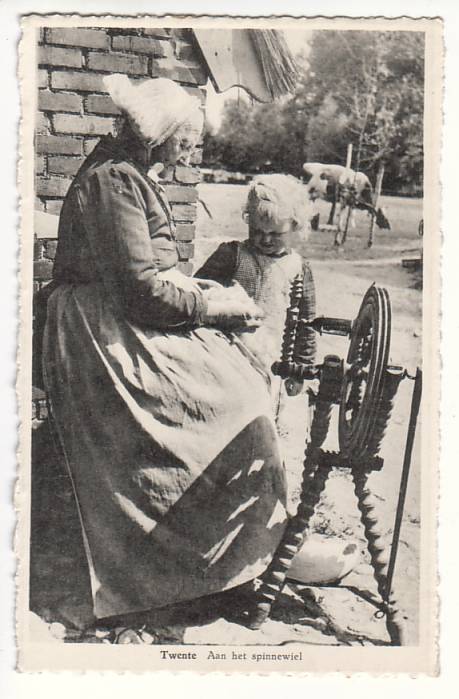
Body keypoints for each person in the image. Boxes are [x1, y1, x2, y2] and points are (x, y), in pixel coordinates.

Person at [41, 74, 288, 623]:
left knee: (241, 380)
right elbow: (141, 291)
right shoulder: (112, 181)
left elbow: (149, 277)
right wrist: (213, 306)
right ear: (158, 136)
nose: (187, 154)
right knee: (225, 405)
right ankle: (176, 569)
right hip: (99, 333)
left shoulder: (130, 174)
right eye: (185, 142)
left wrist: (205, 293)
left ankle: (228, 557)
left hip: (122, 314)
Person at [195, 174, 317, 414]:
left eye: (275, 233)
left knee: (261, 415)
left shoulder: (299, 268)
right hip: (225, 355)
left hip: (272, 361)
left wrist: (301, 368)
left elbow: (307, 324)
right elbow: (200, 292)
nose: (265, 239)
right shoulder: (231, 255)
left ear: (295, 226)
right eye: (257, 231)